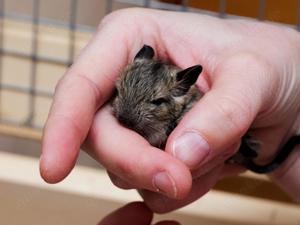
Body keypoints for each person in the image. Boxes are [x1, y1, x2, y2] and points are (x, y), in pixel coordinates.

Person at [39, 8, 300, 213]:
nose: (126, 114)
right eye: (120, 92)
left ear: (182, 89)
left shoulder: (188, 103)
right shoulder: (136, 84)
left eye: (154, 103)